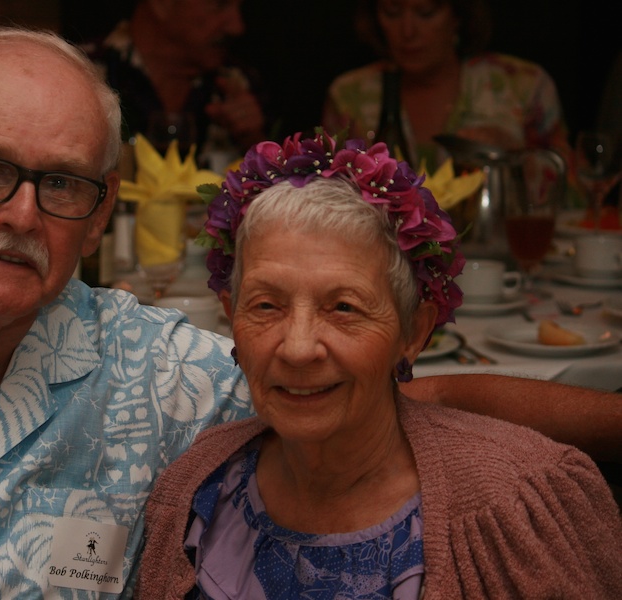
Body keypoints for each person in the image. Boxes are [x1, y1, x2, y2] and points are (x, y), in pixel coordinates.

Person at [0, 25, 620, 599]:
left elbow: (389, 403)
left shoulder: (161, 375)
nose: (23, 216)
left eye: (63, 183)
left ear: (103, 209)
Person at [137, 131, 622, 598]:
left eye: (344, 308)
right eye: (266, 306)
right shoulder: (195, 492)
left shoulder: (518, 510)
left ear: (413, 334)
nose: (298, 348)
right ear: (231, 317)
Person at [320, 0, 572, 171]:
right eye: (392, 12)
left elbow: (576, 196)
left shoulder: (523, 84)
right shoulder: (349, 95)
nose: (407, 31)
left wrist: (516, 157)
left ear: (458, 15)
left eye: (426, 12)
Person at [82, 0, 267, 171]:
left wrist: (253, 140)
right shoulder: (81, 73)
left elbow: (279, 194)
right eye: (220, 4)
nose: (237, 26)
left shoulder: (239, 83)